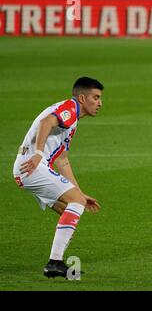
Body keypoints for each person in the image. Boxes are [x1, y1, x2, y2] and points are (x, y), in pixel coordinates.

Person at [13, 77, 104, 278]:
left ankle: (56, 261)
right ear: (82, 98)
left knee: (70, 209)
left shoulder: (72, 120)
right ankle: (54, 262)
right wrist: (38, 153)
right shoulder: (70, 108)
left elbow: (62, 160)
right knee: (76, 204)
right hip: (32, 165)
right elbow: (46, 122)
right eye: (95, 98)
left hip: (30, 167)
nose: (100, 103)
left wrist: (79, 193)